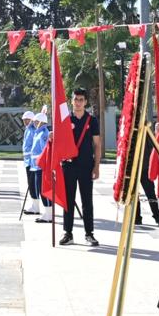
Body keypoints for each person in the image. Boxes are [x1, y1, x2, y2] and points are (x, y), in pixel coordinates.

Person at [61, 87, 101, 247]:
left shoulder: (92, 121)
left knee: (87, 201)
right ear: (72, 101)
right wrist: (51, 136)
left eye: (81, 100)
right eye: (76, 99)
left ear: (85, 102)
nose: (78, 102)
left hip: (86, 166)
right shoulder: (65, 119)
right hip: (69, 166)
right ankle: (68, 233)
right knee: (68, 201)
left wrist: (96, 166)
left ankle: (89, 233)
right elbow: (58, 141)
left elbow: (97, 144)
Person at [28, 112, 52, 223]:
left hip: (41, 166)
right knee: (37, 189)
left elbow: (45, 151)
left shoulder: (44, 134)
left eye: (36, 122)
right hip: (34, 166)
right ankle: (45, 212)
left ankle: (48, 214)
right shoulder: (38, 133)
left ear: (42, 122)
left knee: (44, 190)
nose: (35, 124)